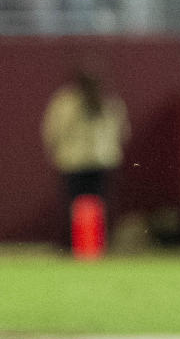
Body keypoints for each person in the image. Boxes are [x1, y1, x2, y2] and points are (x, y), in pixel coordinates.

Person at [41, 71, 130, 248]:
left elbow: (121, 130)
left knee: (94, 206)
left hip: (96, 161)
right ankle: (77, 244)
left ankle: (94, 245)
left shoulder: (107, 102)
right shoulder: (66, 103)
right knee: (77, 206)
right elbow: (53, 130)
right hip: (78, 161)